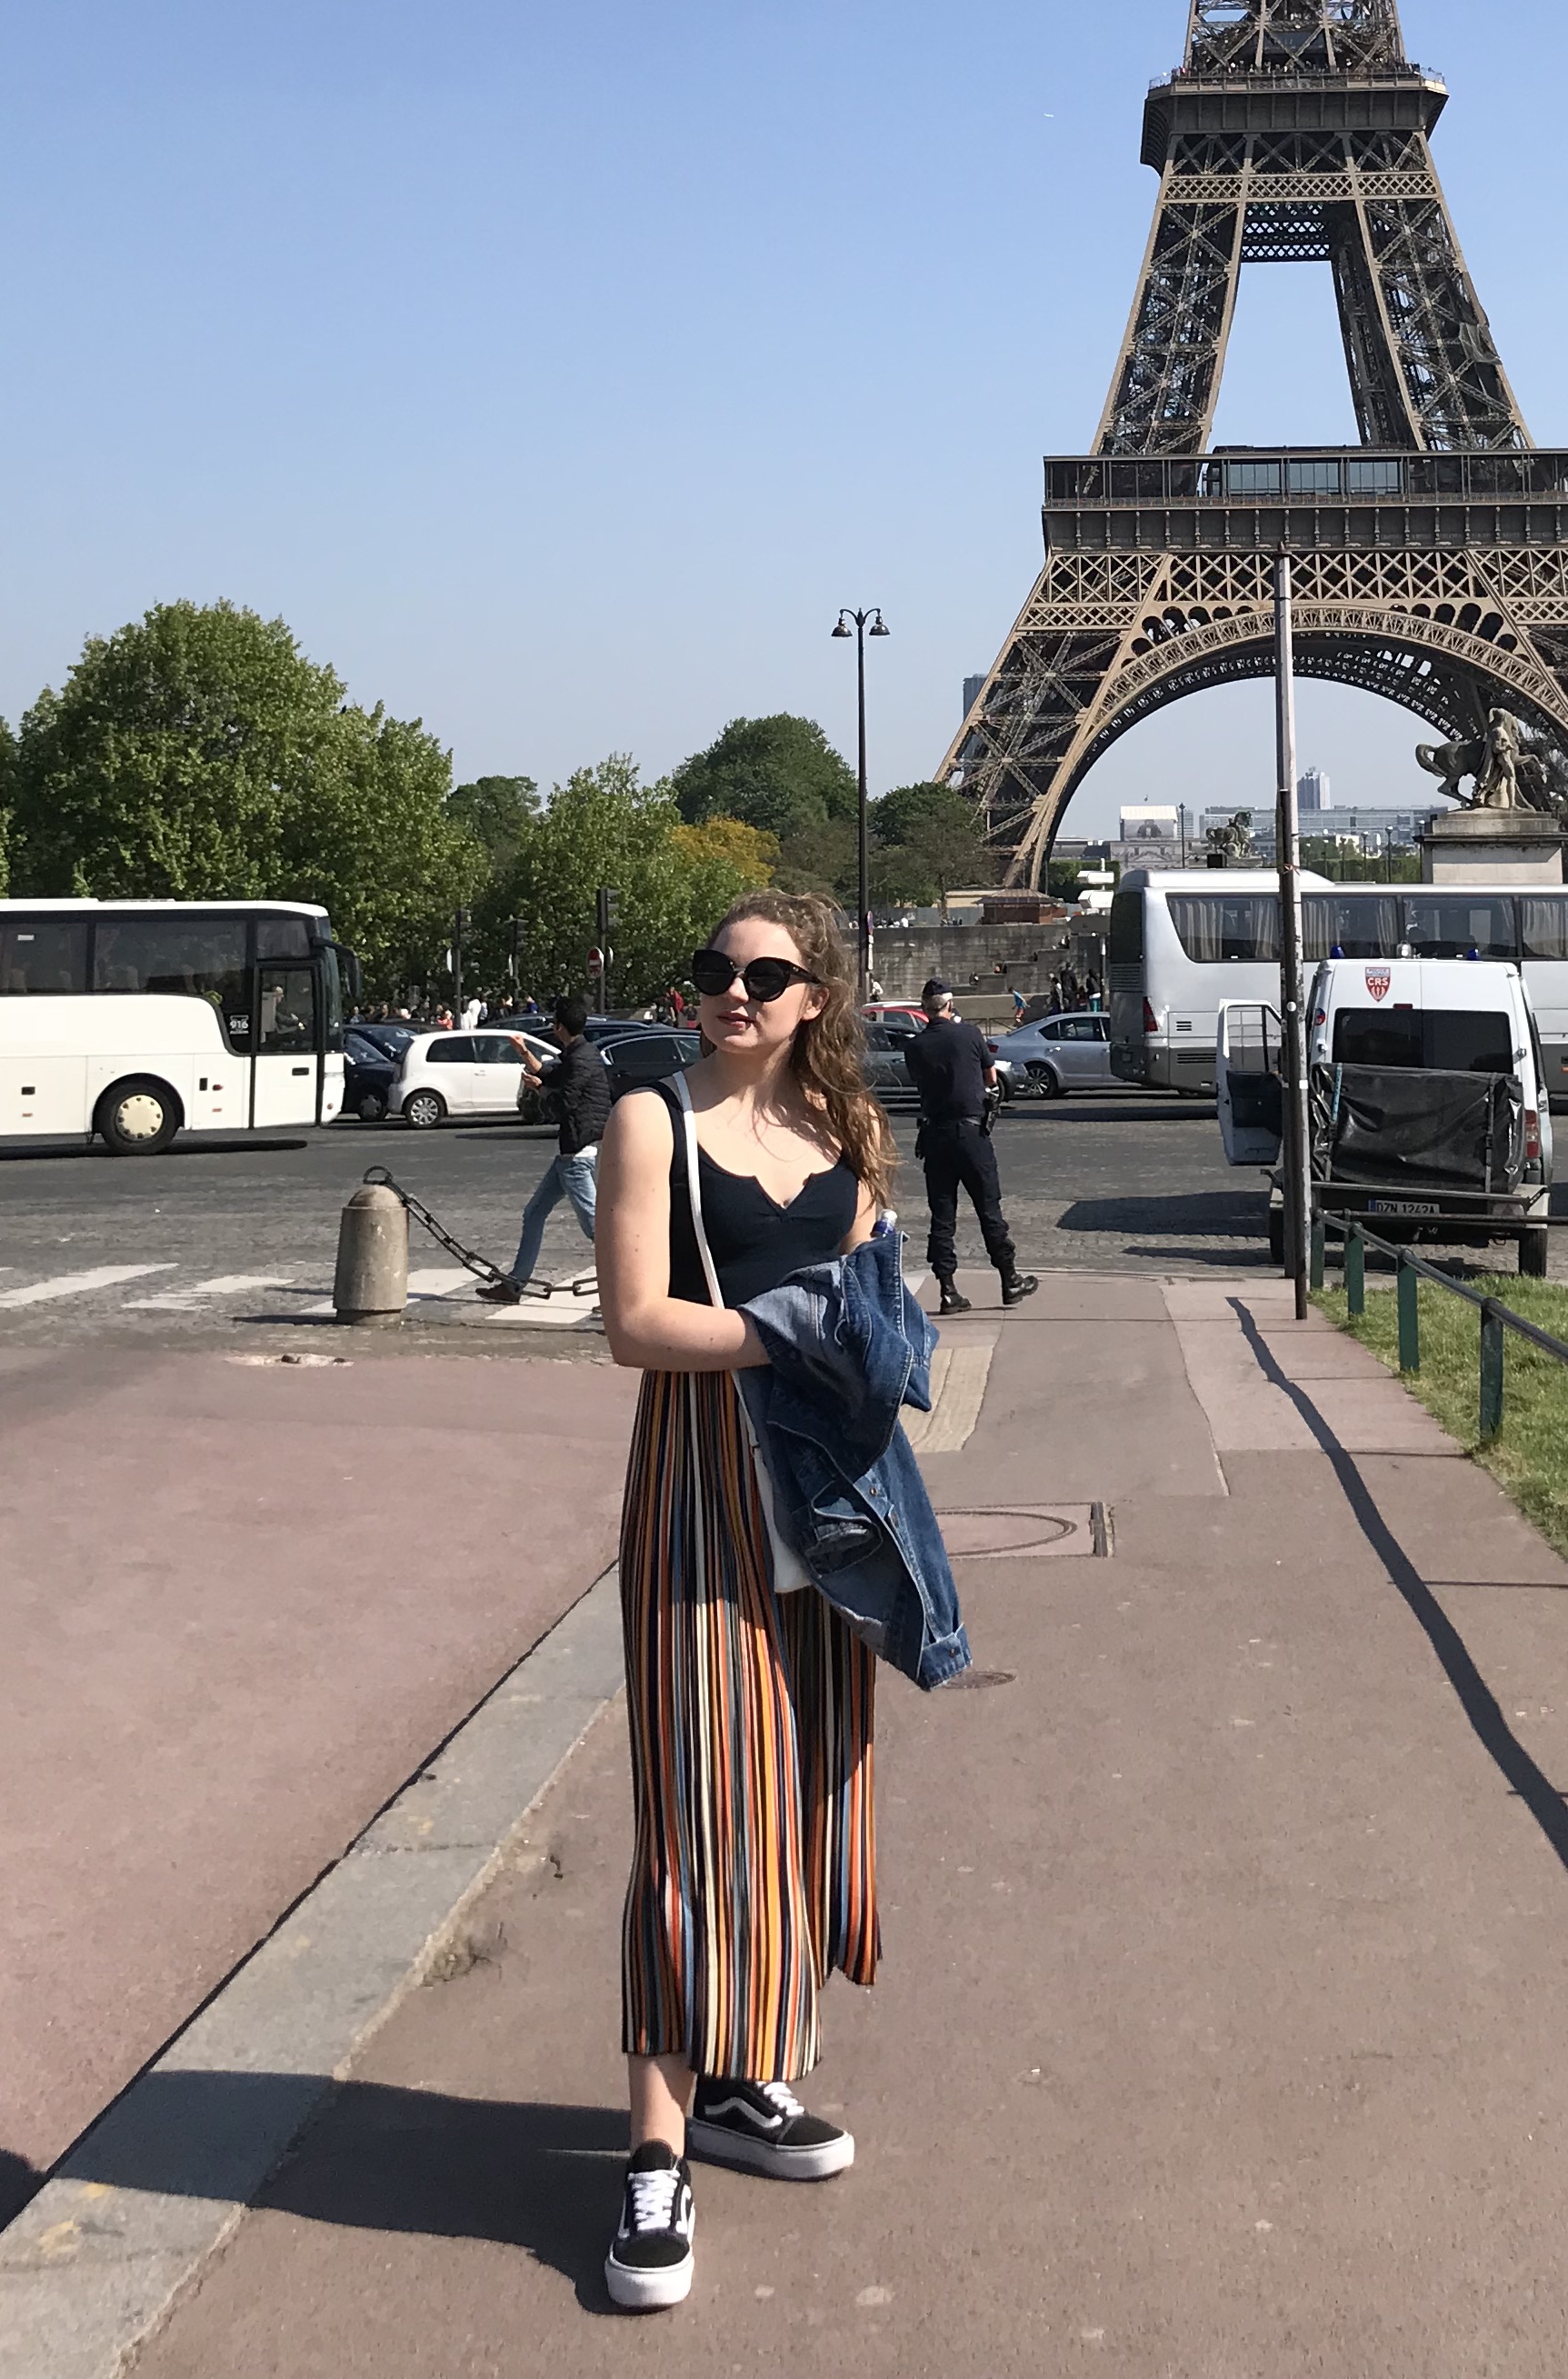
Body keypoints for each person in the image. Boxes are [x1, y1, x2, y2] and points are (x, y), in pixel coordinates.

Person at [592, 890, 891, 2314]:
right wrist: (799, 1336)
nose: (733, 991)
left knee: (803, 1791)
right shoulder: (650, 1119)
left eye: (765, 976)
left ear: (813, 995)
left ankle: (739, 2076)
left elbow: (872, 1300)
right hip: (701, 1485)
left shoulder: (849, 1131)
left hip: (828, 1494)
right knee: (697, 1813)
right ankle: (655, 2154)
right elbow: (634, 1325)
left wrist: (876, 1340)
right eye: (713, 969)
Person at [901, 978, 1037, 1317]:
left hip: (935, 1135)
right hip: (971, 1133)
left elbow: (921, 1082)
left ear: (924, 1009)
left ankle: (947, 1290)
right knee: (989, 1208)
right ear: (950, 1005)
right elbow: (991, 1078)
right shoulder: (970, 1035)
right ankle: (1009, 1279)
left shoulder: (915, 1047)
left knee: (942, 1215)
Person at [485, 1000, 612, 1300]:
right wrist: (523, 1052)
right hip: (572, 1154)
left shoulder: (580, 1060)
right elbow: (550, 1074)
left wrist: (538, 1089)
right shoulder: (581, 1053)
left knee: (596, 1228)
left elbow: (563, 1103)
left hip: (577, 1153)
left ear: (559, 1027)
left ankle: (624, 1289)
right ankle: (514, 1285)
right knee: (534, 1213)